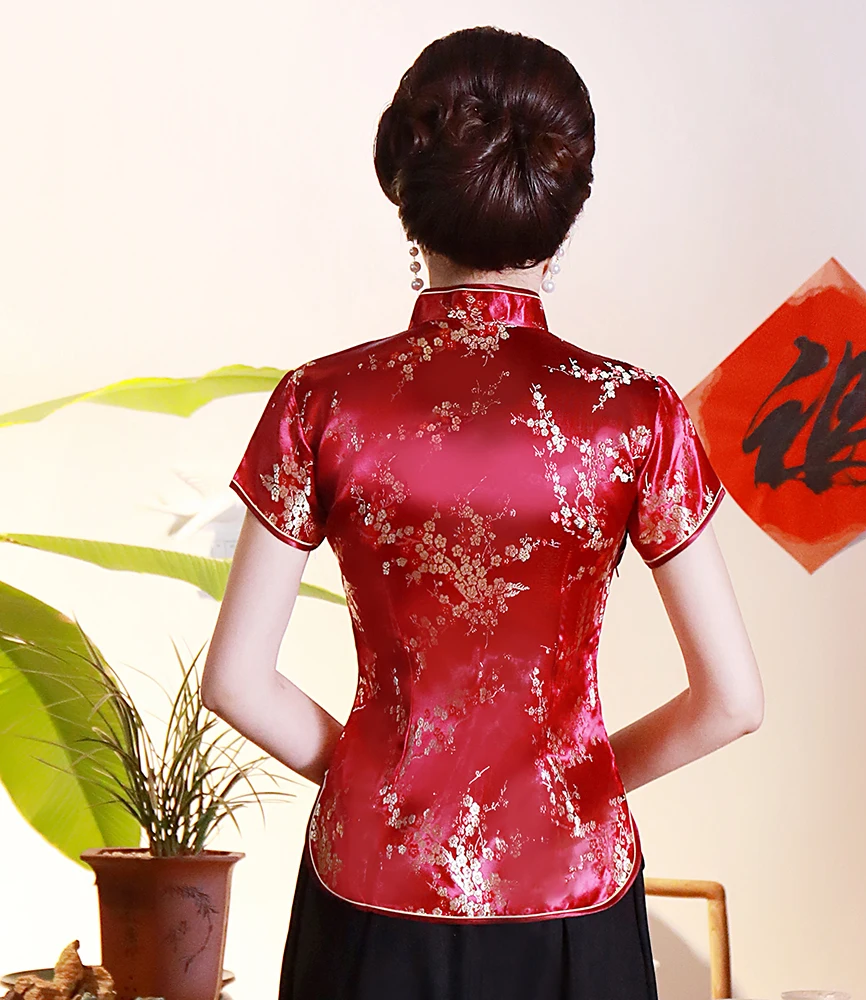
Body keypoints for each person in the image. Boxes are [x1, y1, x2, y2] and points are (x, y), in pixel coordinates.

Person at [202, 24, 763, 1000]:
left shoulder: (319, 403)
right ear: (563, 212)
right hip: (574, 888)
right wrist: (572, 787)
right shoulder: (634, 412)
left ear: (405, 199)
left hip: (368, 884)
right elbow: (733, 702)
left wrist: (383, 785)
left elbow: (237, 683)